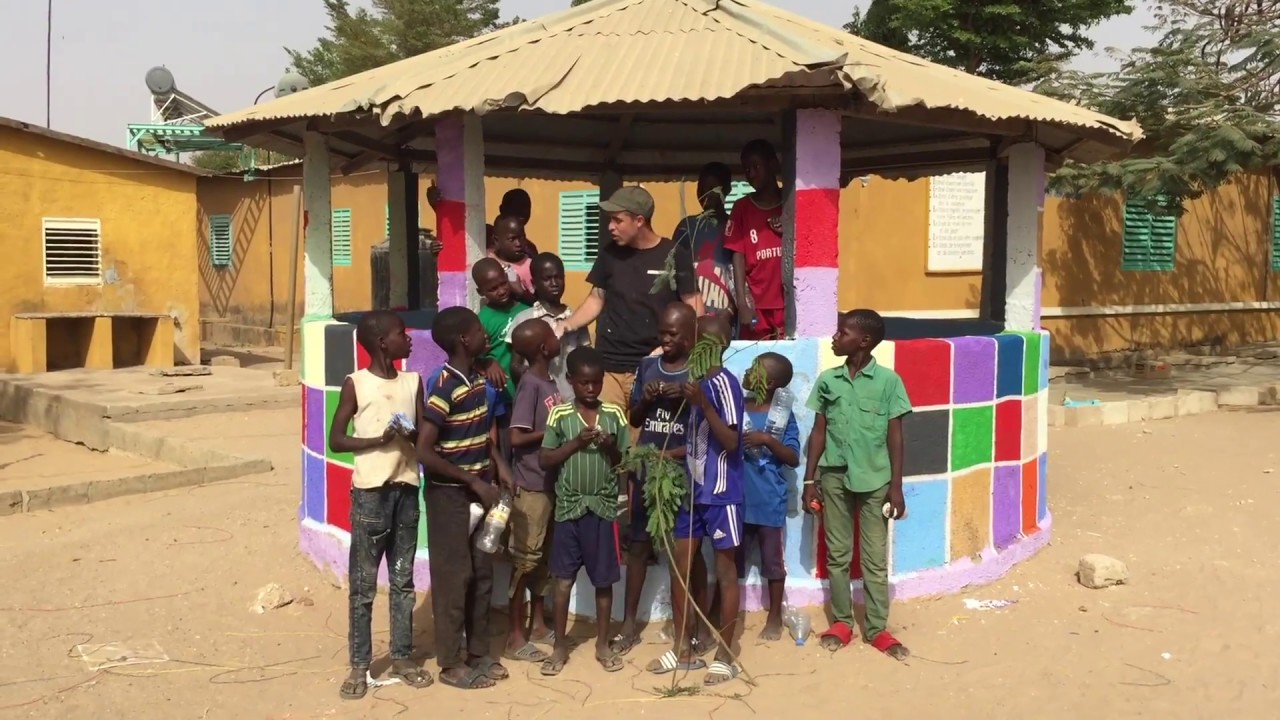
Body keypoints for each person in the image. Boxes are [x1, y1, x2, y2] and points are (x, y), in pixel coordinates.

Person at [328, 311, 431, 700]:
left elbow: (424, 439)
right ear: (382, 343)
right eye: (401, 334)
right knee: (364, 585)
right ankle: (360, 665)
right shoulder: (356, 384)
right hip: (371, 492)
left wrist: (410, 434)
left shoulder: (413, 382)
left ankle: (402, 657)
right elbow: (337, 439)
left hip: (405, 490)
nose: (408, 340)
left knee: (403, 580)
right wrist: (378, 440)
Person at [803, 309, 912, 661]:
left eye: (841, 332)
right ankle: (842, 622)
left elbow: (896, 436)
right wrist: (809, 479)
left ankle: (878, 628)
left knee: (874, 559)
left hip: (875, 481)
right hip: (833, 478)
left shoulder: (888, 382)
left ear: (863, 341)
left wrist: (896, 486)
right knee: (837, 554)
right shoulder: (828, 380)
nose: (835, 338)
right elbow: (818, 432)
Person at [417, 306, 513, 690]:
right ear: (462, 339)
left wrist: (499, 464)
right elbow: (425, 451)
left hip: (480, 491)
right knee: (454, 579)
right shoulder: (444, 385)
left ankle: (478, 653)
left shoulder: (477, 379)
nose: (484, 334)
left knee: (482, 575)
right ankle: (451, 662)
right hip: (450, 497)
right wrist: (474, 484)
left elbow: (479, 436)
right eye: (477, 330)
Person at [648, 313, 744, 686]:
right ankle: (682, 647)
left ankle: (725, 653)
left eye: (696, 338)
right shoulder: (697, 381)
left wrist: (703, 405)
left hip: (721, 493)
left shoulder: (724, 385)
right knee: (680, 566)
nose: (688, 343)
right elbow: (694, 442)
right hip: (692, 490)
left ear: (710, 345)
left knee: (725, 571)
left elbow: (732, 442)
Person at [556, 186, 701, 410]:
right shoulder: (609, 254)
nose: (610, 227)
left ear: (639, 220)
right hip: (608, 367)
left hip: (653, 368)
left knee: (642, 442)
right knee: (607, 437)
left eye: (617, 220)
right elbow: (596, 298)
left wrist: (670, 349)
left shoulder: (675, 255)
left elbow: (694, 310)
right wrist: (566, 325)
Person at [538, 347, 630, 677]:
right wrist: (576, 442)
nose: (590, 389)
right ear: (571, 381)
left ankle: (602, 644)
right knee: (562, 582)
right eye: (584, 383)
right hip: (568, 509)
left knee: (603, 582)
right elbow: (545, 459)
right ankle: (560, 645)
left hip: (602, 509)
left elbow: (625, 462)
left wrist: (609, 446)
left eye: (595, 383)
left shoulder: (614, 417)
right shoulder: (560, 416)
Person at [612, 302, 697, 656]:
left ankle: (688, 629)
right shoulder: (648, 366)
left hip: (683, 474)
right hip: (648, 472)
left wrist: (690, 398)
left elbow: (703, 429)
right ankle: (629, 624)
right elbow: (634, 419)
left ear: (691, 335)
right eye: (661, 333)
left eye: (673, 334)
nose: (665, 340)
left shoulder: (700, 371)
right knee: (639, 546)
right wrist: (645, 401)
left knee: (685, 555)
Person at [503, 319, 562, 664]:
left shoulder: (550, 382)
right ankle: (514, 635)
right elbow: (516, 437)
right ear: (543, 348)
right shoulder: (530, 385)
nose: (558, 339)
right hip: (531, 487)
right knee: (524, 561)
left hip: (550, 484)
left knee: (542, 560)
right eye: (553, 336)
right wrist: (556, 427)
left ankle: (539, 624)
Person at [739, 352, 801, 641]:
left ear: (771, 382)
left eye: (755, 369)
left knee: (772, 563)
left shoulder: (782, 416)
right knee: (730, 561)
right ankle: (725, 612)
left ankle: (774, 616)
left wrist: (767, 440)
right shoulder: (737, 407)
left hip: (769, 502)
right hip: (737, 500)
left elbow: (792, 458)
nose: (747, 372)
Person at [724, 140, 787, 341]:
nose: (751, 174)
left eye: (756, 167)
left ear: (773, 165)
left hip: (788, 304)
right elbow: (738, 255)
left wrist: (789, 230)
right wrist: (742, 302)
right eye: (746, 169)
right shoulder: (742, 208)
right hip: (756, 305)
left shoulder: (791, 202)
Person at [506, 253, 588, 402]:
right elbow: (515, 365)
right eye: (547, 279)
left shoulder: (576, 320)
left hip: (571, 401)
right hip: (537, 401)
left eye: (558, 277)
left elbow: (585, 361)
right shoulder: (524, 319)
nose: (554, 283)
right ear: (534, 283)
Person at [673, 162, 736, 321]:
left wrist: (730, 311)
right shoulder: (686, 226)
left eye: (712, 187)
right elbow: (674, 272)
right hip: (690, 317)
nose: (704, 193)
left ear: (727, 190)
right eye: (701, 187)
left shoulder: (735, 227)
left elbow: (744, 275)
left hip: (724, 316)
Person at [473, 258, 531, 402]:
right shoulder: (482, 319)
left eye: (503, 284)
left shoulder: (528, 311)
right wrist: (487, 362)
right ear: (481, 292)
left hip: (529, 392)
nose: (501, 291)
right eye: (493, 289)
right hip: (501, 395)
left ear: (507, 278)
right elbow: (474, 355)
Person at [489, 215, 536, 304]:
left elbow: (538, 303)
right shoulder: (490, 264)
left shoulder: (531, 266)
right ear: (496, 240)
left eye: (522, 237)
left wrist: (521, 292)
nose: (518, 243)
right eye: (512, 239)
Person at [498, 188, 540, 257]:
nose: (522, 212)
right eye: (516, 207)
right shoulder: (486, 238)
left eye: (526, 207)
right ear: (502, 209)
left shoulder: (530, 249)